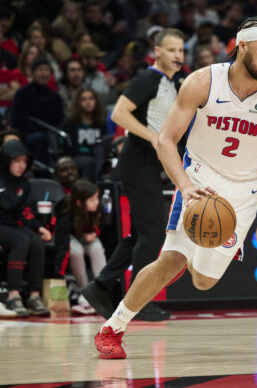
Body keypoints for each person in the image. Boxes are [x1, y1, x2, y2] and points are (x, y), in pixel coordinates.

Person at [94, 17, 257, 359]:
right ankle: (112, 328)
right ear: (242, 46)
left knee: (204, 280)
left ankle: (191, 256)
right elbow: (165, 140)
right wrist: (185, 184)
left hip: (244, 193)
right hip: (200, 182)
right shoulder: (202, 82)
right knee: (171, 258)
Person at [81, 28, 186, 323]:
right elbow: (119, 114)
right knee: (152, 233)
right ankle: (138, 302)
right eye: (172, 50)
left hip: (150, 165)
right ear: (157, 51)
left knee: (141, 234)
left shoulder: (171, 83)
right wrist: (152, 137)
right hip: (137, 162)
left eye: (181, 50)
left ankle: (101, 287)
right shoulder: (146, 80)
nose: (178, 55)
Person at [0, 139, 51, 316]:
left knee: (36, 242)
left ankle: (34, 296)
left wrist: (39, 228)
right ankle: (13, 295)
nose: (21, 165)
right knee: (20, 240)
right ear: (6, 160)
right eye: (16, 161)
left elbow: (24, 211)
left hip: (11, 225)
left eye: (24, 161)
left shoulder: (24, 183)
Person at [54, 179, 105, 315]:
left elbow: (103, 226)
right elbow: (62, 244)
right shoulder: (66, 214)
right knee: (75, 250)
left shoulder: (98, 207)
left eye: (97, 198)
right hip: (71, 238)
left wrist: (93, 232)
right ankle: (85, 292)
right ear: (79, 203)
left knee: (97, 247)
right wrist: (59, 274)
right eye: (92, 199)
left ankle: (102, 291)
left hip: (87, 238)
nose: (97, 202)